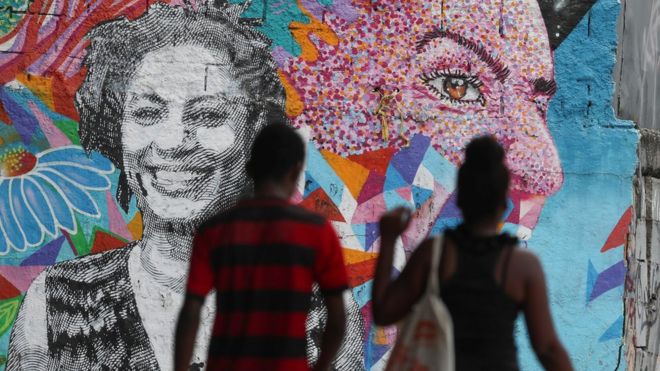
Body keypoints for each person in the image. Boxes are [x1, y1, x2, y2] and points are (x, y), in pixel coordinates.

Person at [6, 3, 286, 370]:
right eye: (147, 113)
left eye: (208, 115)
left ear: (256, 135)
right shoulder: (57, 303)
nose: (171, 142)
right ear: (116, 131)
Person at [372, 136, 573, 371]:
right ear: (502, 203)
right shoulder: (522, 265)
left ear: (462, 199)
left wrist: (388, 240)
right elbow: (547, 348)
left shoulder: (434, 254)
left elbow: (385, 313)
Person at [175, 123, 348, 371]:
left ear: (250, 169)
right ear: (296, 170)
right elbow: (338, 318)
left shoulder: (215, 230)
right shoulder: (317, 232)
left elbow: (191, 311)